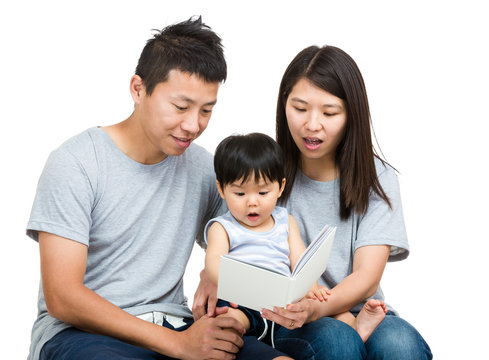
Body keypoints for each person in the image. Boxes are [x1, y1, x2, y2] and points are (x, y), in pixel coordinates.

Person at [26, 17, 286, 360]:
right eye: (180, 107)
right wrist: (178, 345)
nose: (193, 125)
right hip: (81, 335)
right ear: (138, 89)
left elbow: (255, 236)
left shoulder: (204, 169)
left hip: (174, 323)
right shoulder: (76, 162)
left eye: (206, 110)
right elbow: (63, 297)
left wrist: (216, 269)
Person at [255, 45, 433, 359]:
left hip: (366, 310)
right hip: (291, 319)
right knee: (339, 342)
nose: (312, 124)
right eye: (300, 108)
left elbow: (366, 277)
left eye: (329, 112)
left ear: (351, 114)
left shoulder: (378, 178)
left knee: (401, 345)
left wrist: (326, 309)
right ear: (284, 105)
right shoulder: (263, 172)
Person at [204, 132, 388, 348]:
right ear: (222, 189)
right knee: (230, 321)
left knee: (326, 310)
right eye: (240, 194)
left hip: (284, 302)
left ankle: (358, 327)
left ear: (280, 187)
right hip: (244, 299)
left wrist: (312, 287)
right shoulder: (223, 227)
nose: (252, 202)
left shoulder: (285, 221)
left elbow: (301, 260)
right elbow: (213, 262)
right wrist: (235, 283)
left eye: (263, 192)